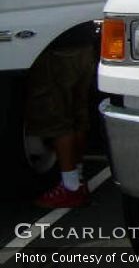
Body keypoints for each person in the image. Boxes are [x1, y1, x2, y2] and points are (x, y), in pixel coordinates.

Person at [25, 24, 97, 208]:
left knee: (59, 120)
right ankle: (78, 180)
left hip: (57, 50)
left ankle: (70, 187)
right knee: (78, 116)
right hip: (84, 45)